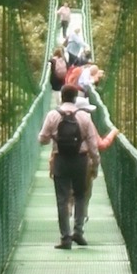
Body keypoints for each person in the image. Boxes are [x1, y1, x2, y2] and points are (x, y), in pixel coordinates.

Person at [42, 80, 115, 247]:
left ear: (61, 97)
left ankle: (65, 238)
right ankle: (78, 232)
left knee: (62, 199)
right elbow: (93, 145)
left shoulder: (53, 115)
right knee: (81, 197)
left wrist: (54, 138)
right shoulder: (84, 116)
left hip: (60, 159)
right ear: (75, 98)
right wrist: (95, 165)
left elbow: (42, 139)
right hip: (81, 161)